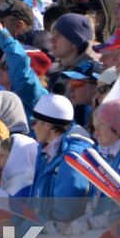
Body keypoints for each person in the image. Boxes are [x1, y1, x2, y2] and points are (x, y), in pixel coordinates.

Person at [16, 95, 95, 224]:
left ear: (48, 125)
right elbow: (34, 204)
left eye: (34, 122)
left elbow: (64, 214)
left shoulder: (72, 158)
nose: (33, 127)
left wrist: (21, 233)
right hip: (41, 232)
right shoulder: (45, 151)